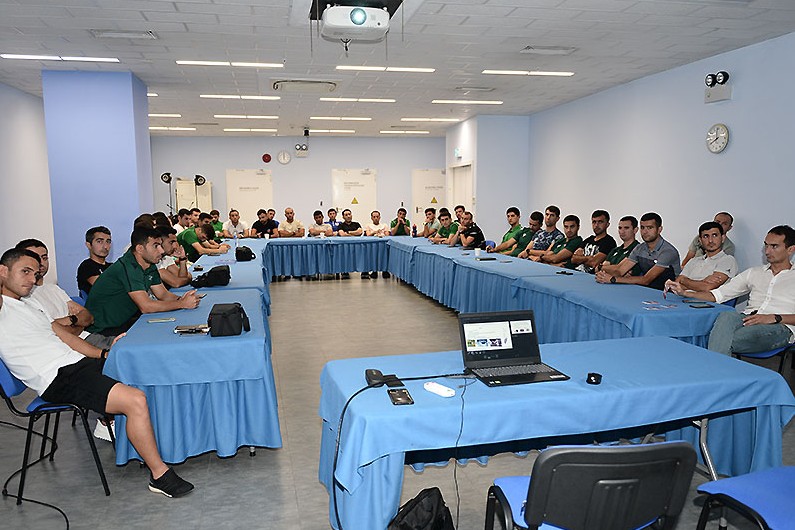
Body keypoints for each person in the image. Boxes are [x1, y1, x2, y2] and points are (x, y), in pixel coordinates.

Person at [0, 248, 194, 498]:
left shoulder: (30, 304)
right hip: (56, 378)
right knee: (134, 400)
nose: (32, 279)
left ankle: (161, 445)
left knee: (146, 371)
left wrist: (104, 354)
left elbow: (67, 339)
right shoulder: (3, 308)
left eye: (35, 273)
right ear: (3, 271)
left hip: (77, 363)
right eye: (25, 272)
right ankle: (159, 475)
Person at [665, 225, 795, 356]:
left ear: (790, 249)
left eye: (774, 246)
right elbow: (718, 295)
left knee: (720, 339)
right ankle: (716, 365)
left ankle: (711, 364)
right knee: (727, 315)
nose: (767, 251)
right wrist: (684, 293)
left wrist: (775, 317)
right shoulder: (754, 273)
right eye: (766, 245)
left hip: (780, 325)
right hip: (747, 318)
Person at [86, 227, 201, 336]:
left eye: (160, 245)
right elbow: (146, 307)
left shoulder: (149, 264)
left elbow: (163, 295)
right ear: (140, 249)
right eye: (156, 246)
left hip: (125, 322)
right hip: (103, 330)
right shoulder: (128, 267)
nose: (161, 250)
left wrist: (182, 299)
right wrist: (182, 304)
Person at [15, 239, 114, 349]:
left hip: (89, 337)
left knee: (125, 343)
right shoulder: (23, 296)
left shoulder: (53, 288)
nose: (41, 262)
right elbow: (48, 332)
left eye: (44, 257)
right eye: (34, 258)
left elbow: (88, 317)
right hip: (68, 348)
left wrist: (71, 320)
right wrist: (78, 322)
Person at [595, 212, 681, 291]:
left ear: (659, 229)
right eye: (642, 228)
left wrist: (612, 279)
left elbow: (646, 280)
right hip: (646, 291)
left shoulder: (668, 251)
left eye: (650, 228)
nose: (645, 232)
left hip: (669, 295)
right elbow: (620, 270)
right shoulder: (639, 248)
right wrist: (602, 272)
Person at [665, 221, 737, 292]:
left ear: (723, 238)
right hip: (681, 297)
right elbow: (676, 285)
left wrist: (684, 281)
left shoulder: (728, 260)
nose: (710, 240)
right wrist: (702, 282)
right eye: (706, 236)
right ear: (700, 240)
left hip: (703, 299)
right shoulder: (694, 261)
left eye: (714, 235)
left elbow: (707, 288)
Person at [77, 226, 112, 295]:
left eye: (108, 242)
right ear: (89, 245)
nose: (105, 246)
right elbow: (106, 288)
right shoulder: (86, 266)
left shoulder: (112, 266)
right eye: (99, 241)